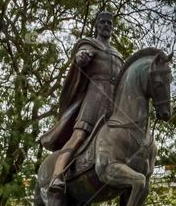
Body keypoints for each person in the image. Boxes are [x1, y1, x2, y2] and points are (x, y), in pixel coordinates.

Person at [40, 11, 124, 194]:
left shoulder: (118, 55)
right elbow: (80, 55)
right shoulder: (89, 44)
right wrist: (81, 58)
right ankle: (57, 175)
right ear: (96, 25)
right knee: (79, 136)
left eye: (110, 23)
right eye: (103, 22)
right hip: (94, 100)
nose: (106, 26)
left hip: (114, 105)